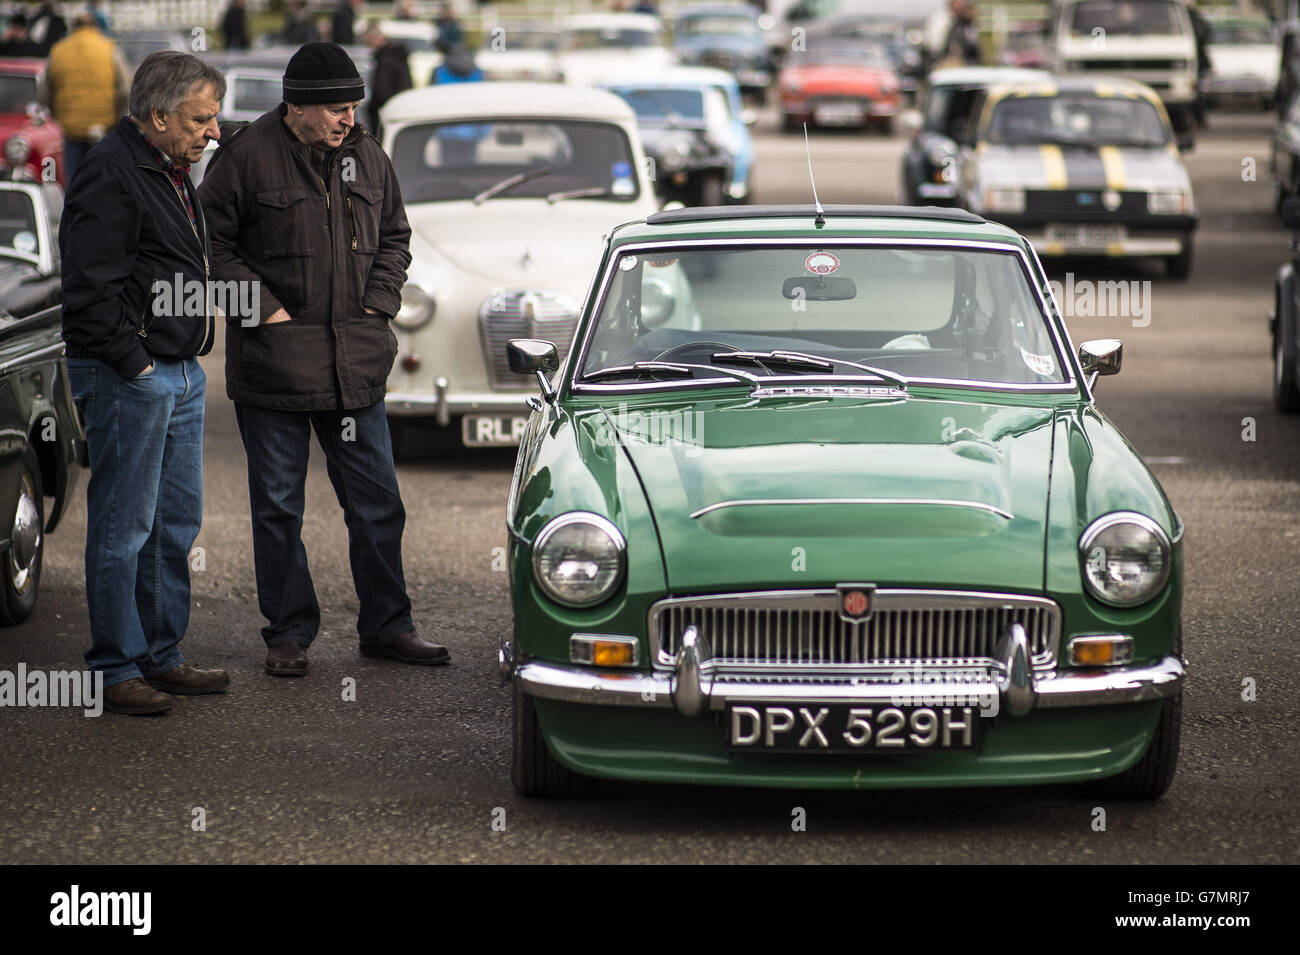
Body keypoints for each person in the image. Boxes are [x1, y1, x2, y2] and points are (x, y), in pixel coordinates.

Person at [198, 42, 449, 676]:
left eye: (353, 107)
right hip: (274, 369)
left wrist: (378, 305)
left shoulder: (369, 156)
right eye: (336, 108)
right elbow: (211, 249)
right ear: (298, 106)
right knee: (279, 509)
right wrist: (265, 310)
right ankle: (287, 633)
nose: (347, 119)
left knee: (377, 505)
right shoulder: (244, 159)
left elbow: (396, 235)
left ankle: (388, 627)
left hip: (357, 367)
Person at [61, 51, 229, 715]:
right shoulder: (111, 172)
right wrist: (136, 365)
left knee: (173, 522)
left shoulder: (168, 162)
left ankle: (161, 654)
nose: (212, 132)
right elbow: (90, 289)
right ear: (158, 117)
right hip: (134, 374)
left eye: (214, 119)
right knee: (122, 525)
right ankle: (114, 666)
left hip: (179, 372)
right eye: (201, 119)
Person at [41, 12, 130, 183]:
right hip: (102, 128)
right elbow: (124, 89)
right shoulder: (109, 48)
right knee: (103, 180)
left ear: (73, 27)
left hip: (70, 129)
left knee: (73, 181)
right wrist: (120, 119)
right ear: (95, 27)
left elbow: (46, 91)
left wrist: (56, 116)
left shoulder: (58, 50)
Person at [364, 20, 412, 143]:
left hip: (386, 114)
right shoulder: (398, 56)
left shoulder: (385, 59)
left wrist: (371, 109)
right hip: (402, 108)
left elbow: (381, 91)